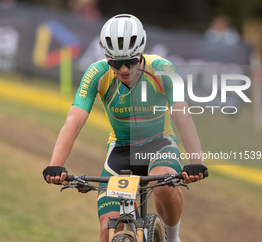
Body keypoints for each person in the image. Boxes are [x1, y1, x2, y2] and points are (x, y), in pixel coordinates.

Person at [43, 14, 208, 242]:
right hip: (120, 150)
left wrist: (196, 161)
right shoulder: (96, 73)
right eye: (114, 63)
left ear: (141, 54)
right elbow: (74, 120)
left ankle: (172, 238)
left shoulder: (162, 68)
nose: (122, 69)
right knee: (107, 228)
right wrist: (56, 164)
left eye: (130, 62)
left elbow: (182, 116)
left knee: (163, 187)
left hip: (159, 145)